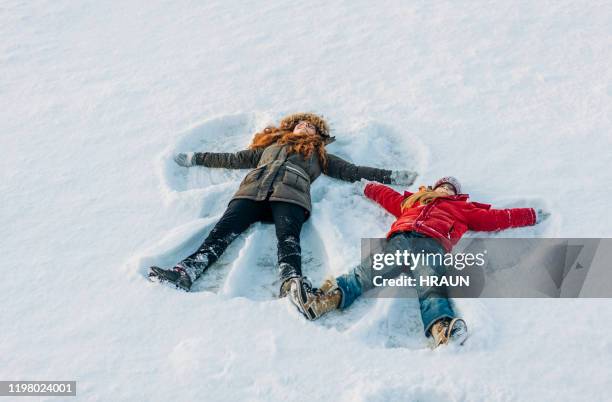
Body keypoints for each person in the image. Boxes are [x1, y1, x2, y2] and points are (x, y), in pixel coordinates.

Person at [148, 112, 418, 318]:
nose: (305, 127)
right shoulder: (269, 147)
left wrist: (390, 175)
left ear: (318, 135)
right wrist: (196, 158)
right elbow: (231, 159)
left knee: (288, 239)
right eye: (301, 124)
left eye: (311, 126)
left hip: (291, 195)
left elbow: (353, 171)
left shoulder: (319, 154)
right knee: (221, 232)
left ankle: (291, 281)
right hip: (251, 191)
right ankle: (186, 271)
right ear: (292, 127)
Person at [301, 176, 550, 347]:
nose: (446, 190)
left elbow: (496, 218)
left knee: (431, 286)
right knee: (366, 272)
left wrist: (529, 214)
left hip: (432, 245)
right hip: (401, 240)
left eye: (451, 189)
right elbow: (389, 197)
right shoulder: (415, 201)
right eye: (443, 186)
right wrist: (369, 187)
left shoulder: (465, 209)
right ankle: (327, 299)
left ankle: (441, 327)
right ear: (435, 187)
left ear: (457, 194)